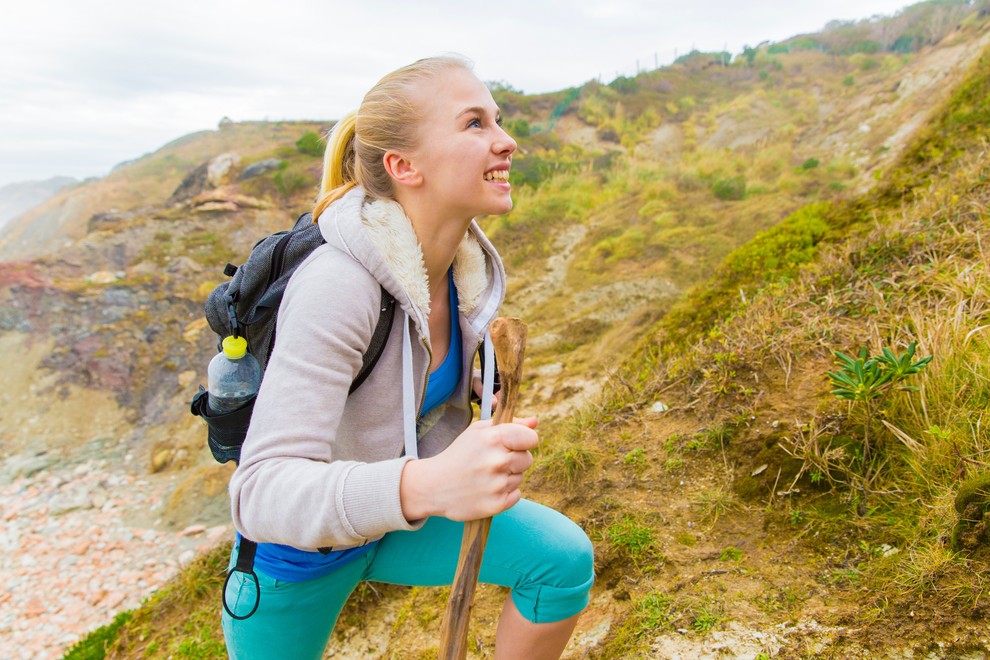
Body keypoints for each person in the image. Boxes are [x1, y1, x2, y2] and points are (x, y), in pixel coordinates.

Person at [222, 55, 594, 659]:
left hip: (394, 526)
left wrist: (464, 388)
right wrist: (430, 483)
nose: (507, 141)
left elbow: (401, 376)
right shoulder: (338, 286)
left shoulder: (459, 274)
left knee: (561, 562)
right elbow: (259, 492)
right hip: (297, 556)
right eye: (475, 124)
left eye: (498, 120)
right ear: (403, 166)